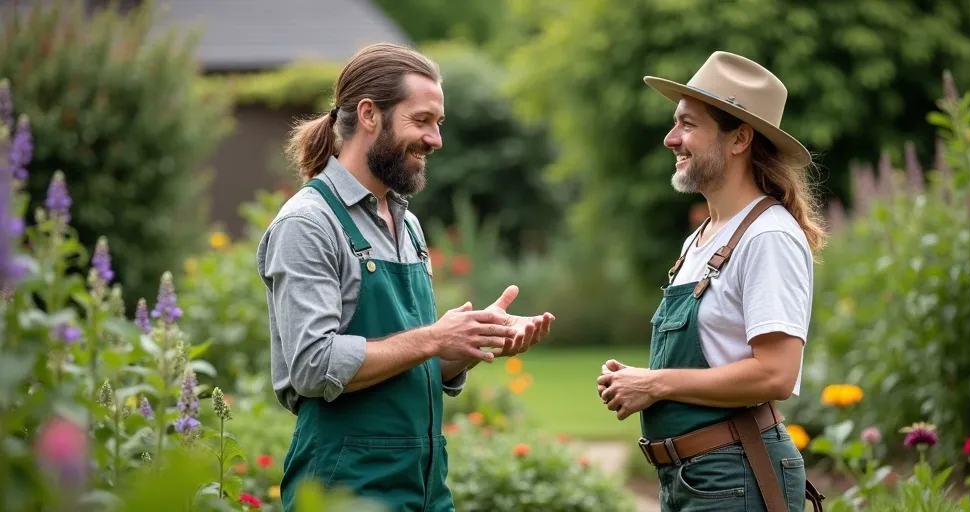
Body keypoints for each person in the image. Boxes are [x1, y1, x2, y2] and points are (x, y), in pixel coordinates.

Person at [257, 43, 555, 512]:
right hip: (343, 490)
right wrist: (434, 338)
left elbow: (405, 362)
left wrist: (470, 343)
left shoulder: (408, 224)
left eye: (438, 124)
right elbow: (313, 365)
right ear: (370, 114)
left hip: (425, 488)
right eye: (422, 121)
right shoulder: (309, 224)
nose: (435, 139)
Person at [596, 52, 827, 512]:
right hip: (693, 478)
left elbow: (777, 374)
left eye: (688, 124)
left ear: (739, 138)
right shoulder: (701, 239)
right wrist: (639, 381)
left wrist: (657, 383)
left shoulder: (768, 236)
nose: (670, 138)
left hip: (735, 474)